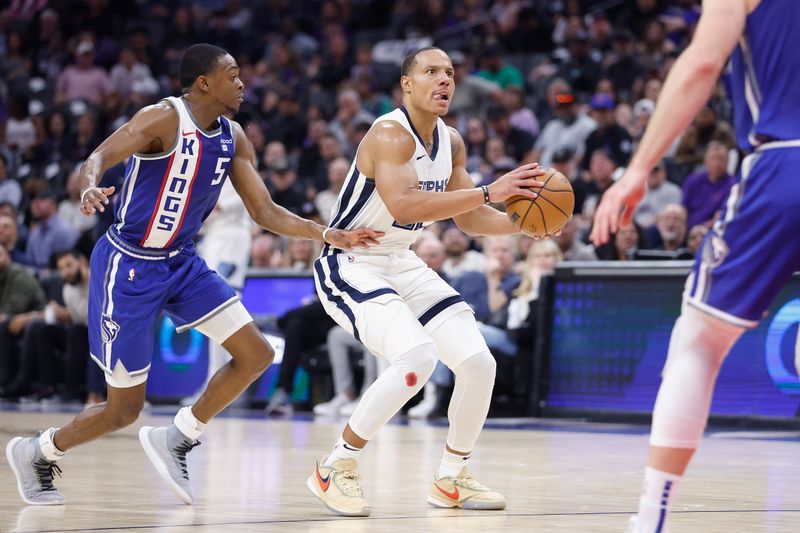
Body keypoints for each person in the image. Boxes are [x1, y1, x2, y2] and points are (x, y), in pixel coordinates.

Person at [5, 43, 381, 507]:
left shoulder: (234, 137)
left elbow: (263, 210)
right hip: (129, 265)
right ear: (204, 82)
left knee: (256, 354)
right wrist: (88, 186)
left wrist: (328, 234)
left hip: (182, 262)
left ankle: (179, 437)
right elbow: (98, 157)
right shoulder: (162, 118)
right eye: (233, 74)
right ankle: (36, 452)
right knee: (124, 410)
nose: (243, 83)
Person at [307, 46, 545, 517]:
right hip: (352, 261)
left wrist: (527, 224)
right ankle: (336, 467)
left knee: (479, 362)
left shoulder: (452, 141)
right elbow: (406, 206)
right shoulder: (389, 134)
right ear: (407, 84)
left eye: (450, 73)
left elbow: (473, 218)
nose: (444, 81)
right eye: (431, 72)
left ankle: (453, 476)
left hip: (402, 260)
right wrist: (489, 190)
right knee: (416, 358)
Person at [590, 1, 797, 531]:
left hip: (786, 162)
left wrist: (638, 169)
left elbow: (703, 63)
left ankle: (651, 519)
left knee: (700, 341)